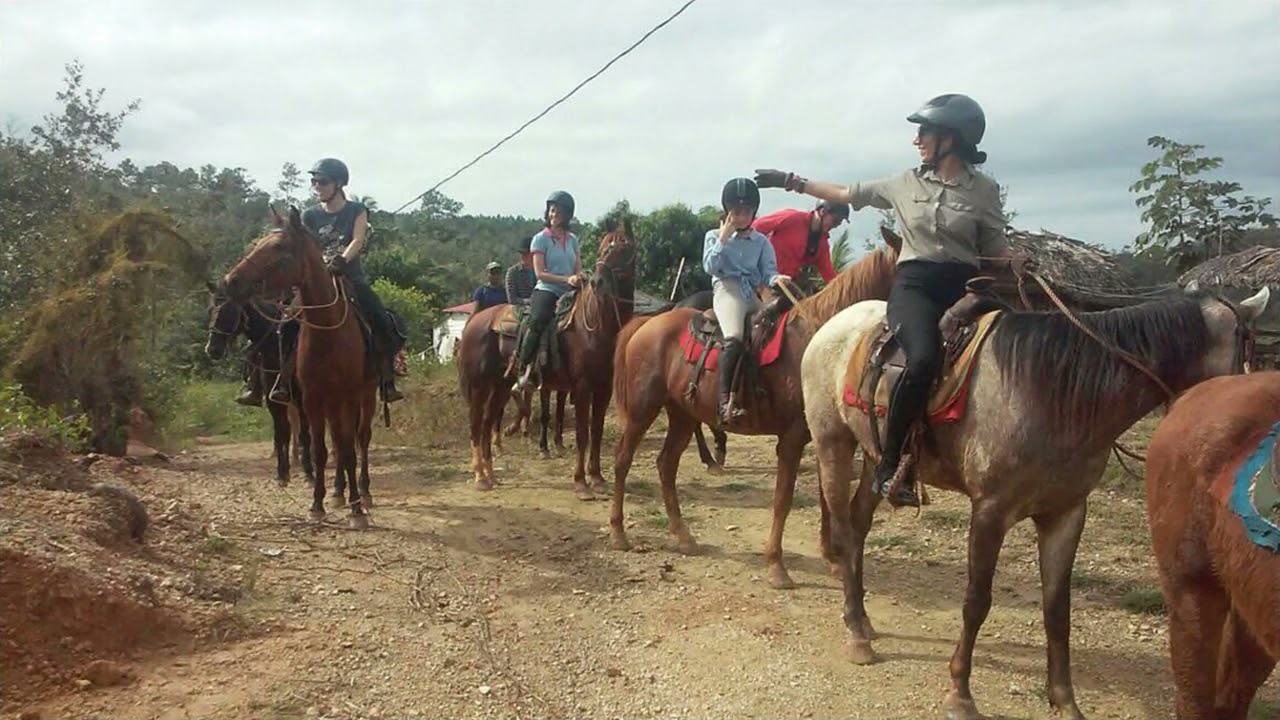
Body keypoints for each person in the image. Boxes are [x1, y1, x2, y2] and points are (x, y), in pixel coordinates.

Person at [754, 92, 1028, 508]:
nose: (917, 140)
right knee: (920, 359)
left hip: (966, 289)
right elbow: (847, 193)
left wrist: (1017, 261)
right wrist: (792, 181)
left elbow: (994, 246)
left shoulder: (984, 191)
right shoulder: (904, 183)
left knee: (1015, 349)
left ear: (951, 139)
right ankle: (891, 464)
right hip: (915, 288)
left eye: (925, 132)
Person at [301, 157, 404, 402]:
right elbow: (308, 246)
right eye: (313, 181)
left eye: (322, 181)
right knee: (283, 325)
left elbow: (357, 240)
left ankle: (387, 378)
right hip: (317, 280)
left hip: (350, 277)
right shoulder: (309, 215)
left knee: (381, 319)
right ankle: (278, 381)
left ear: (339, 184)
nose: (317, 186)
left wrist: (341, 260)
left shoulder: (356, 210)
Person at [703, 177, 789, 425]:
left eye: (746, 212)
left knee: (772, 332)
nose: (741, 217)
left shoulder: (762, 242)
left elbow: (768, 272)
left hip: (751, 293)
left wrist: (777, 278)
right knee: (735, 337)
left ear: (754, 213)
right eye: (736, 212)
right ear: (728, 212)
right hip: (727, 290)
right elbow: (710, 266)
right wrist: (723, 238)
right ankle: (724, 402)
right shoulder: (713, 236)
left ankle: (762, 391)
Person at [512, 191, 582, 390]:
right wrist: (566, 279)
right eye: (552, 210)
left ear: (568, 214)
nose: (554, 214)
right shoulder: (540, 239)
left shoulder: (573, 240)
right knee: (537, 320)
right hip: (547, 289)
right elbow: (540, 273)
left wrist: (580, 276)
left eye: (559, 211)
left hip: (570, 291)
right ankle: (524, 368)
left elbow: (577, 267)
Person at [752, 199, 849, 290]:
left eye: (838, 224)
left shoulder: (822, 245)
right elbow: (756, 227)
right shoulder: (792, 217)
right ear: (822, 212)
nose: (835, 226)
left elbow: (829, 276)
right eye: (835, 221)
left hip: (784, 285)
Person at [505, 236, 538, 306]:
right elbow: (512, 299)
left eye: (526, 253)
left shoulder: (542, 270)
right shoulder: (512, 272)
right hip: (521, 307)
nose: (523, 256)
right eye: (521, 253)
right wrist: (529, 301)